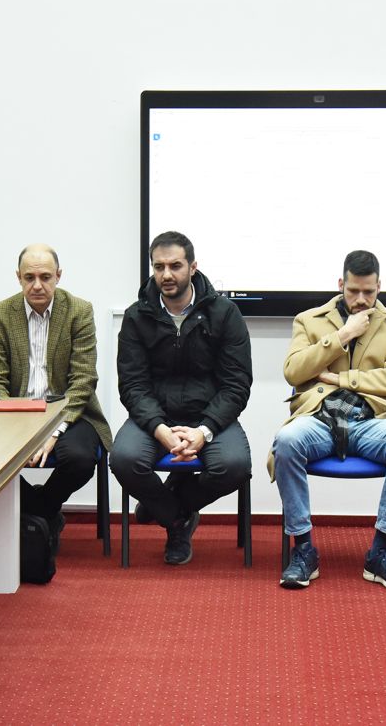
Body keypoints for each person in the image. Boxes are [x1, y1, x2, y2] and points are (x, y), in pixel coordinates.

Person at [271, 250, 386, 591]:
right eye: (353, 291)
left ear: (379, 287)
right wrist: (342, 336)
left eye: (368, 291)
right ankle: (303, 549)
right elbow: (293, 371)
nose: (361, 299)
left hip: (372, 420)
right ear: (341, 284)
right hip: (320, 418)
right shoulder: (308, 320)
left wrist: (341, 378)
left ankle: (380, 552)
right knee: (287, 441)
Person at [110, 231, 253, 565]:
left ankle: (165, 503)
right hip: (154, 417)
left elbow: (236, 384)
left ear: (193, 267)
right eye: (159, 267)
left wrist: (204, 431)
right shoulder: (136, 316)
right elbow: (132, 385)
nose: (166, 274)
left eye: (175, 266)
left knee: (234, 466)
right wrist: (159, 428)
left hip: (208, 416)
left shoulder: (224, 313)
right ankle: (177, 520)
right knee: (124, 459)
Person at [0, 244, 111, 532]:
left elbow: (84, 379)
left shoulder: (79, 311)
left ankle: (38, 512)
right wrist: (17, 425)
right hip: (15, 414)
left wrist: (54, 430)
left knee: (79, 459)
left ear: (58, 276)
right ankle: (44, 516)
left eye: (45, 277)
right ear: (18, 277)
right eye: (29, 278)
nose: (37, 285)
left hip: (71, 412)